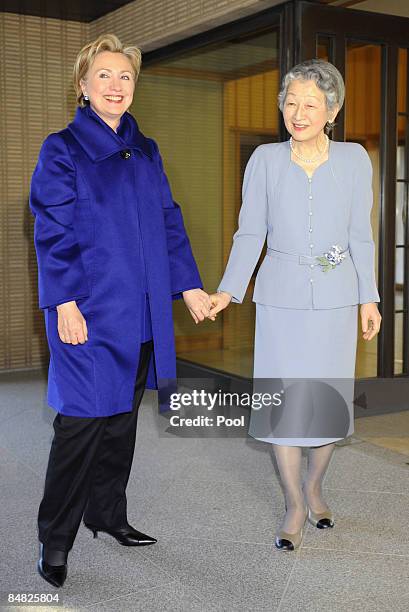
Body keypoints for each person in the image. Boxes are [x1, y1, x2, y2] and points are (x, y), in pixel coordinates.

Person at [29, 33, 211, 587]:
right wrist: (62, 301)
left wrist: (190, 288)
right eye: (103, 75)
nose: (115, 85)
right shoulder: (62, 149)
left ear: (134, 87)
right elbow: (52, 230)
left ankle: (106, 515)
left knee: (120, 424)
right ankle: (54, 540)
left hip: (139, 317)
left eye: (125, 76)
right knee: (80, 427)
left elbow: (168, 222)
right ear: (83, 87)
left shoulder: (147, 150)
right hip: (84, 314)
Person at [210, 59, 381, 551]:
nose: (298, 113)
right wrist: (229, 288)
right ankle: (294, 502)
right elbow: (251, 233)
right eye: (291, 102)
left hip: (333, 301)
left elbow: (357, 239)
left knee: (326, 403)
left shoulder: (354, 160)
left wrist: (366, 296)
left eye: (310, 104)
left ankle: (315, 486)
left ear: (332, 110)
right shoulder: (264, 159)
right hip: (280, 299)